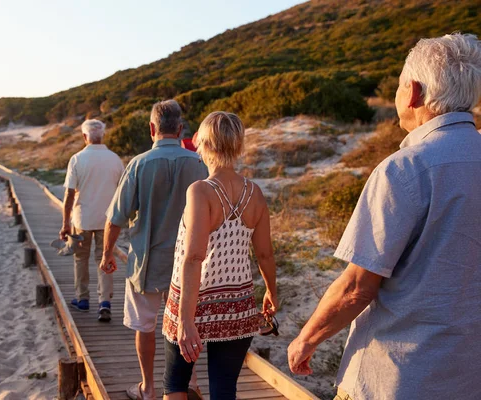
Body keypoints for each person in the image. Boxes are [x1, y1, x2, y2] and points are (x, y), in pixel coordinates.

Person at [287, 33, 481, 399]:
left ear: (414, 92)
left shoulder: (404, 170)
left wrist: (305, 339)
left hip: (400, 376)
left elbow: (357, 287)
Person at [161, 111, 278, 400]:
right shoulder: (256, 193)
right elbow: (264, 254)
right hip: (236, 304)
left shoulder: (200, 191)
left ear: (204, 145)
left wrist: (186, 320)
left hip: (191, 300)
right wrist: (272, 293)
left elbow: (193, 257)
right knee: (224, 388)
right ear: (237, 145)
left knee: (175, 383)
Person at [100, 100, 208, 400]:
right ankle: (192, 385)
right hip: (191, 263)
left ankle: (147, 388)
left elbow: (116, 217)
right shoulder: (199, 163)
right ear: (181, 129)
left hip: (145, 263)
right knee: (186, 324)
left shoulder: (139, 164)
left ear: (152, 128)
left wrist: (108, 253)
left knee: (144, 326)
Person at [60, 119, 124, 322]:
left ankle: (83, 299)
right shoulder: (115, 159)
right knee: (103, 259)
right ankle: (104, 302)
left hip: (82, 218)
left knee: (80, 259)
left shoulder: (77, 159)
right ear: (102, 135)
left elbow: (70, 194)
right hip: (107, 220)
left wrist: (65, 223)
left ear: (84, 136)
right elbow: (122, 191)